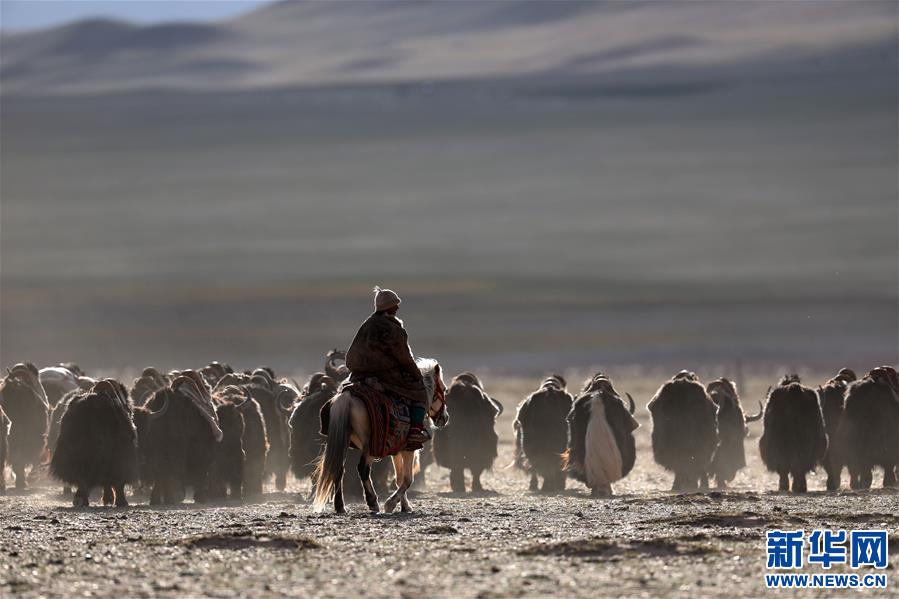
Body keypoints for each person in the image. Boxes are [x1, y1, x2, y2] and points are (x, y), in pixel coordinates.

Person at [345, 287, 431, 449]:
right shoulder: (392, 328)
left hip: (359, 376)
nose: (398, 307)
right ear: (388, 307)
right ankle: (414, 432)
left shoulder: (367, 325)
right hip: (387, 377)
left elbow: (351, 357)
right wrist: (417, 375)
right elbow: (404, 358)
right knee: (420, 391)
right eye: (395, 304)